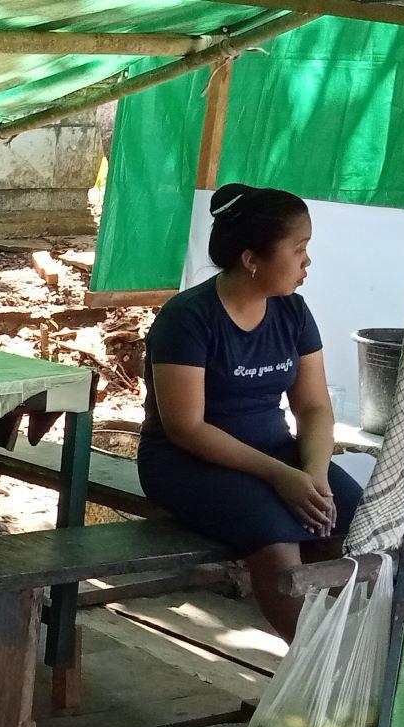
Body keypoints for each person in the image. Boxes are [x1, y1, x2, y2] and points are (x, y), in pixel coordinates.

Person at [138, 183, 363, 641]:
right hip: (187, 463)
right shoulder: (188, 318)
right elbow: (187, 428)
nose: (307, 262)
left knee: (355, 517)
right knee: (274, 530)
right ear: (251, 259)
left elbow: (314, 407)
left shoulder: (293, 312)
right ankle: (310, 661)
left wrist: (314, 472)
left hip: (275, 452)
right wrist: (281, 476)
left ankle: (354, 653)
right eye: (298, 249)